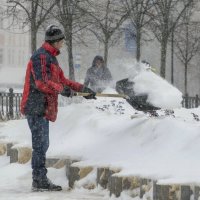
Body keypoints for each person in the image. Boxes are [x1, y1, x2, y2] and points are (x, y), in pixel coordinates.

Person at [20, 25, 96, 192]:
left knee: (42, 144)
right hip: (35, 105)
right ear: (55, 41)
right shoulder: (40, 57)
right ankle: (39, 180)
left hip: (43, 106)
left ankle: (39, 178)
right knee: (40, 144)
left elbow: (62, 80)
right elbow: (42, 82)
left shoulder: (51, 58)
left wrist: (82, 89)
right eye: (61, 41)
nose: (62, 44)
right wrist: (63, 91)